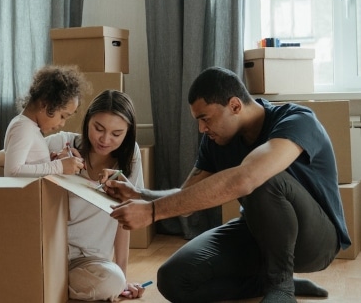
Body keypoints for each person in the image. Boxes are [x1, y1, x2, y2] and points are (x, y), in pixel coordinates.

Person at [107, 67, 350, 303]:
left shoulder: (297, 120)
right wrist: (141, 194)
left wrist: (152, 212)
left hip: (316, 241)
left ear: (235, 105)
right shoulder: (216, 140)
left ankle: (281, 287)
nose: (202, 129)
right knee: (174, 279)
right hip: (258, 233)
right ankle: (268, 281)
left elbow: (247, 178)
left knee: (262, 178)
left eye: (205, 119)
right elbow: (187, 197)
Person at [0, 89, 148, 301]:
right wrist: (53, 163)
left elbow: (125, 219)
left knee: (113, 281)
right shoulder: (62, 143)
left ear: (128, 133)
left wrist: (123, 276)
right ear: (87, 122)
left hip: (90, 261)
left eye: (116, 134)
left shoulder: (131, 158)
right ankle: (46, 283)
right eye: (98, 128)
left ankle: (44, 285)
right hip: (49, 252)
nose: (105, 139)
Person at [2, 64, 87, 177]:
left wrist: (50, 162)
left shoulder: (30, 127)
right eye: (62, 116)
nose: (62, 124)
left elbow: (30, 167)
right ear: (44, 104)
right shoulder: (23, 128)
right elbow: (12, 172)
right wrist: (59, 166)